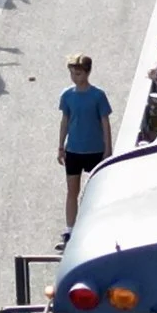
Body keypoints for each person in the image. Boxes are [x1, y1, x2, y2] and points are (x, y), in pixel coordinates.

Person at [57, 53, 112, 242]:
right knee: (72, 190)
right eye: (72, 73)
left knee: (95, 191)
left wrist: (108, 149)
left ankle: (95, 225)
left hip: (95, 150)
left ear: (87, 73)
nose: (75, 77)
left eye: (78, 74)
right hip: (73, 150)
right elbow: (65, 120)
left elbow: (105, 122)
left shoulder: (98, 95)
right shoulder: (67, 95)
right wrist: (60, 146)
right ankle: (70, 229)